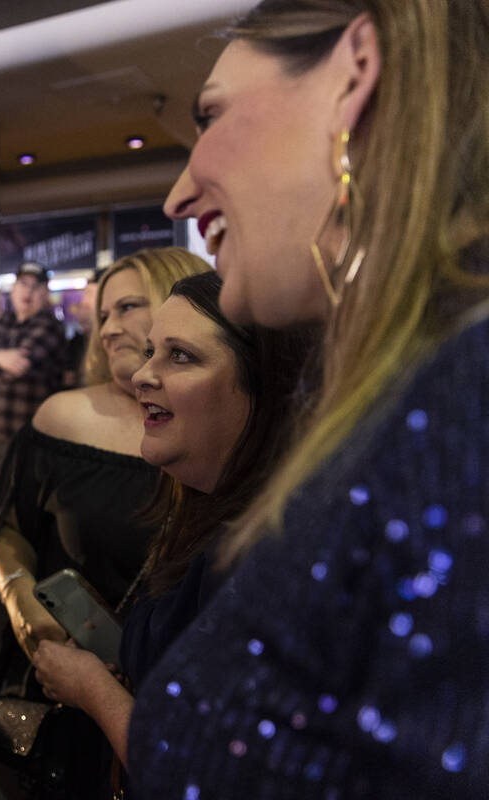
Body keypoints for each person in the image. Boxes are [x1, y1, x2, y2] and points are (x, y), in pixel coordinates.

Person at [126, 3, 489, 798]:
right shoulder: (413, 395)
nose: (180, 197)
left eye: (212, 115)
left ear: (355, 73)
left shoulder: (464, 407)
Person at [32, 270, 310, 780]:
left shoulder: (264, 549)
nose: (142, 375)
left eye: (180, 356)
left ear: (261, 384)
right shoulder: (199, 507)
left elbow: (206, 769)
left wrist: (94, 690)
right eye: (151, 352)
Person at [0, 247, 206, 799]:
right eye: (102, 315)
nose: (109, 329)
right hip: (62, 702)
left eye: (128, 307)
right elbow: (8, 529)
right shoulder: (63, 416)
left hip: (180, 714)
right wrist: (20, 599)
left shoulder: (222, 431)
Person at [0, 261, 66, 501]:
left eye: (35, 286)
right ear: (13, 289)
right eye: (23, 284)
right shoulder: (1, 323)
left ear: (45, 293)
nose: (28, 292)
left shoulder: (50, 327)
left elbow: (18, 367)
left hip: (24, 438)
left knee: (20, 512)